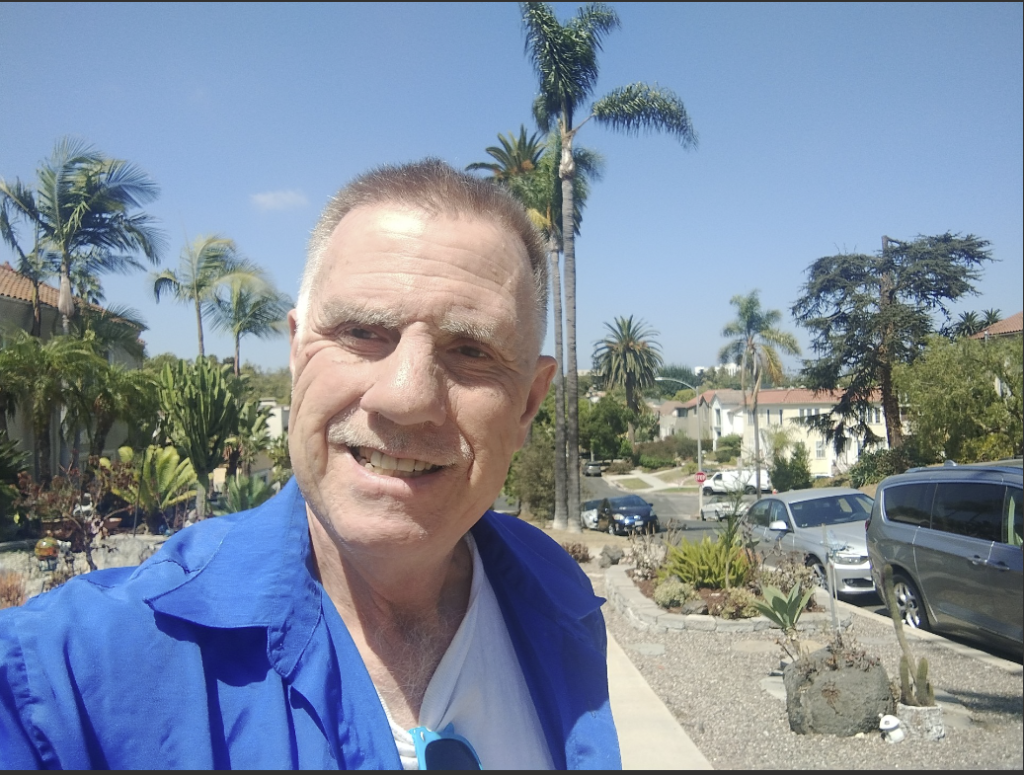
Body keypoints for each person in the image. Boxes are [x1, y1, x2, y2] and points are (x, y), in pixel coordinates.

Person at [0, 159, 621, 770]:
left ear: (529, 402)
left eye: (471, 350)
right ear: (298, 354)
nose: (406, 398)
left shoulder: (557, 599)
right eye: (362, 333)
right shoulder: (67, 680)